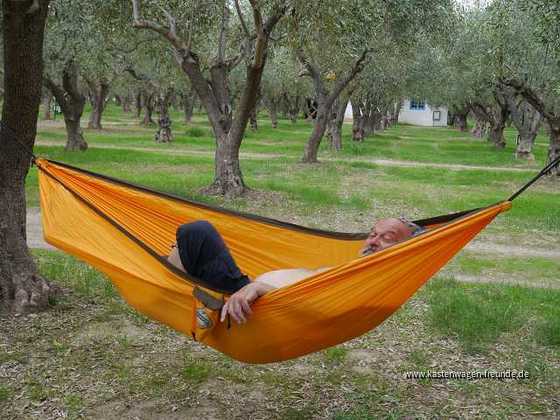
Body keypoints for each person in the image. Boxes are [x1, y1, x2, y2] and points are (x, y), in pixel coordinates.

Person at [167, 218, 424, 325]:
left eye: (386, 238)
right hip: (249, 293)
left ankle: (169, 287)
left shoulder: (369, 281)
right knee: (191, 241)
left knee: (197, 232)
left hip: (251, 306)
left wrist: (259, 288)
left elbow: (319, 305)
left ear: (403, 251)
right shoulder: (361, 270)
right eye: (372, 234)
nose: (372, 241)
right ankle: (168, 271)